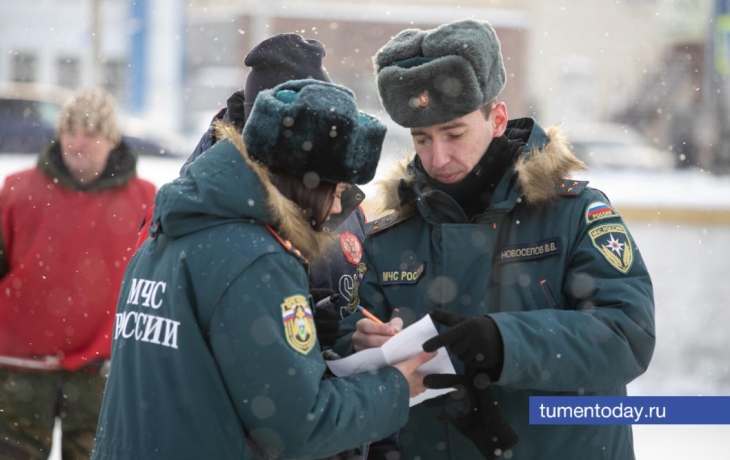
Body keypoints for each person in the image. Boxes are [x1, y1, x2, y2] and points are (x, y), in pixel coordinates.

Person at [333, 18, 656, 459]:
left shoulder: (574, 213)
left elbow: (627, 335)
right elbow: (349, 345)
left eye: (455, 133)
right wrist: (364, 341)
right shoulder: (388, 237)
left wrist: (504, 342)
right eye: (422, 139)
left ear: (497, 118)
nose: (438, 158)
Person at [91, 79, 435, 460]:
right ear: (306, 188)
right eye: (336, 193)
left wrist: (337, 341)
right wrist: (397, 387)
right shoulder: (258, 260)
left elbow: (200, 373)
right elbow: (299, 425)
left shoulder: (170, 233)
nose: (338, 210)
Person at [0, 87, 156, 459]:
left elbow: (154, 284)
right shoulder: (17, 190)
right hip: (20, 368)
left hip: (100, 369)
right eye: (71, 131)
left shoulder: (145, 199)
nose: (78, 142)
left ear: (111, 138)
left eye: (91, 133)